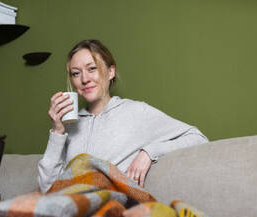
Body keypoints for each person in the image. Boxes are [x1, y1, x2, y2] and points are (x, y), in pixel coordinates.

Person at [38, 39, 208, 193]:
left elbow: (198, 138)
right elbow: (48, 187)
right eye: (76, 73)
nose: (84, 79)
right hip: (69, 206)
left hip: (107, 206)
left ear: (111, 72)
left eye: (92, 68)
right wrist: (57, 131)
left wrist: (149, 152)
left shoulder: (136, 112)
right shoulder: (69, 125)